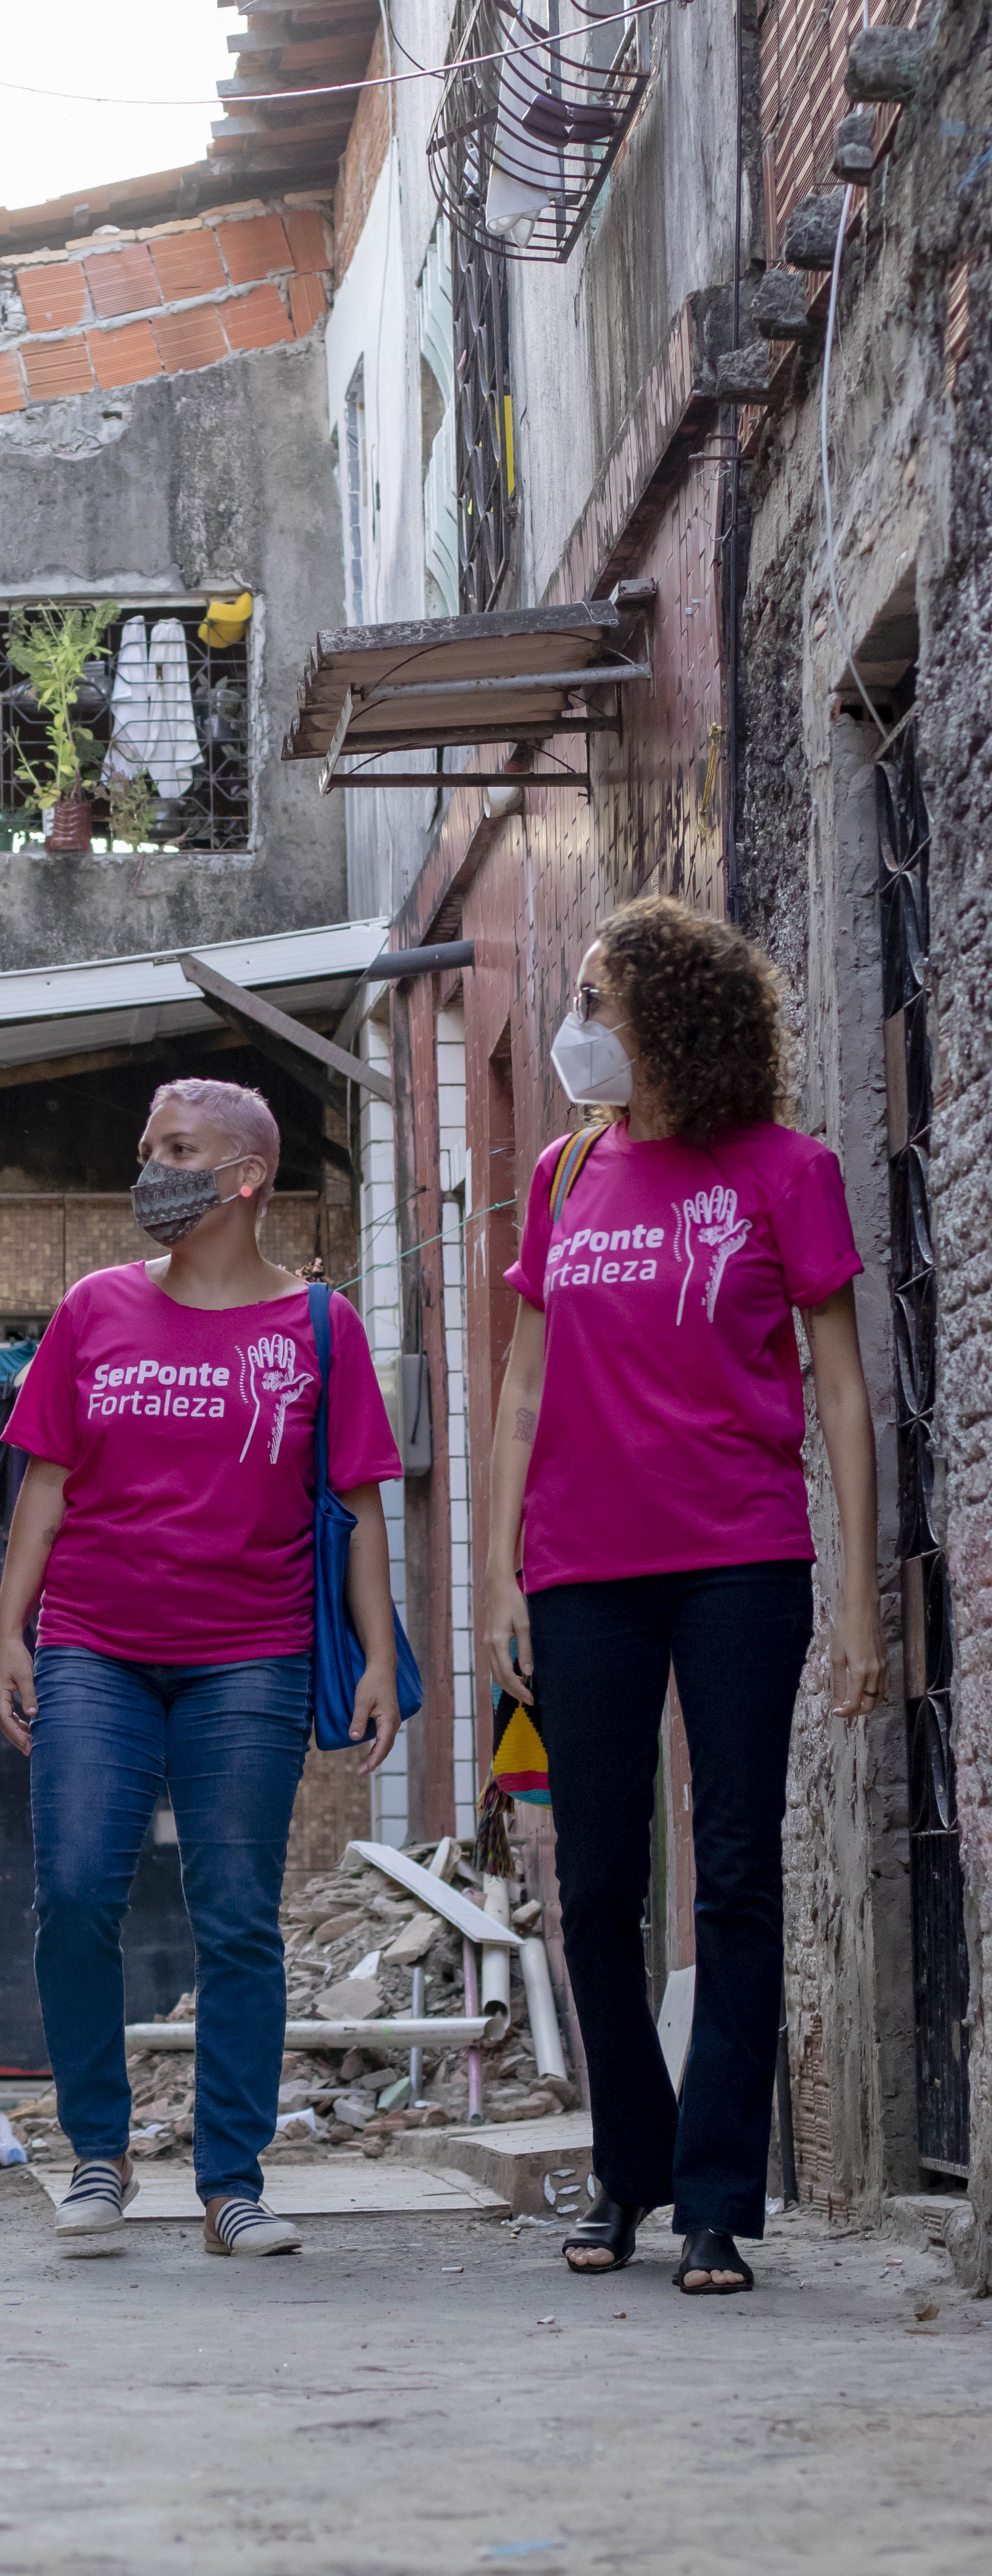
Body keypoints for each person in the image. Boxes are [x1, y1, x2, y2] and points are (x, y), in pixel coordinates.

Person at [482, 898, 886, 2297]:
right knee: (594, 1883)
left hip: (740, 1559)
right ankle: (625, 2170)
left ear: (673, 1018)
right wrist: (497, 1581)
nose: (577, 1025)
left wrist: (859, 1603)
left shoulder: (787, 1169)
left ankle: (717, 2198)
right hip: (583, 1569)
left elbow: (839, 1386)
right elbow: (523, 1385)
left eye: (600, 998)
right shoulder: (560, 1175)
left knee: (731, 1878)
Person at [0, 1078, 401, 2260]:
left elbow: (356, 1505)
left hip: (251, 1659)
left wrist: (376, 1653)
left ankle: (231, 2179)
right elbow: (47, 1483)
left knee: (234, 1919)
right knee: (72, 1895)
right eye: (144, 1143)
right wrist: (12, 1630)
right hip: (93, 1649)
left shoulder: (318, 1328)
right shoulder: (92, 1309)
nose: (148, 1166)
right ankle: (98, 2156)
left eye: (174, 1148)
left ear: (242, 1179)